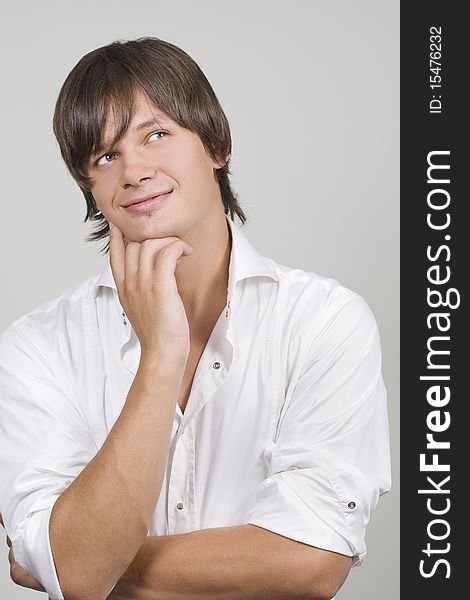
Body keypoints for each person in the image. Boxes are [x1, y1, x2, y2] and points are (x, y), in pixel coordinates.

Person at [0, 37, 391, 600]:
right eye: (105, 156)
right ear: (92, 187)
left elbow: (310, 564)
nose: (133, 170)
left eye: (156, 134)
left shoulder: (323, 321)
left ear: (215, 145)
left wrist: (84, 561)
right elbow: (77, 569)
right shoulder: (36, 347)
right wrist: (161, 355)